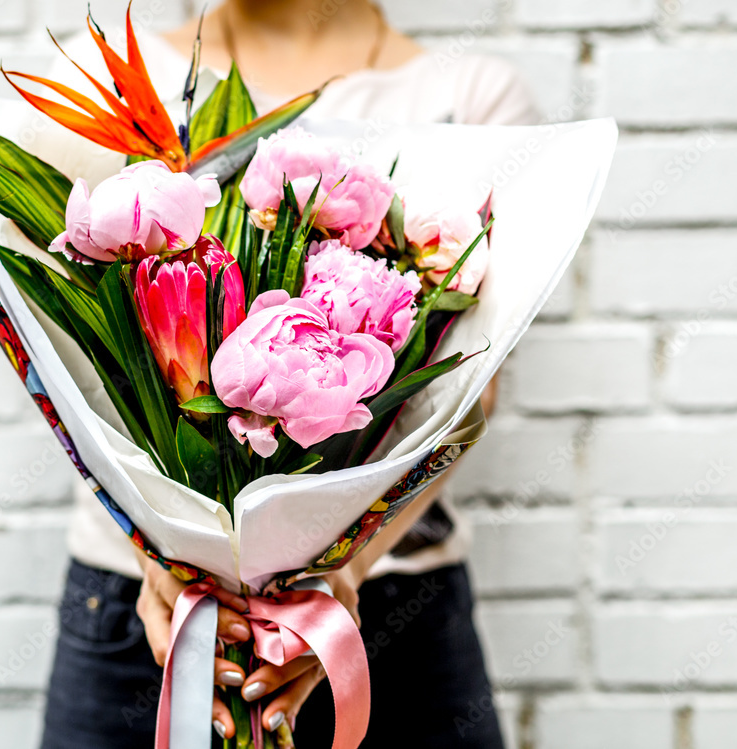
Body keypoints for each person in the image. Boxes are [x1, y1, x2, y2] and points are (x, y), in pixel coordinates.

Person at [37, 2, 538, 747]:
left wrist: (342, 574)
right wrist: (166, 559)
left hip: (392, 601)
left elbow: (468, 393)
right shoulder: (108, 86)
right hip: (140, 604)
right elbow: (69, 366)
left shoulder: (471, 98)